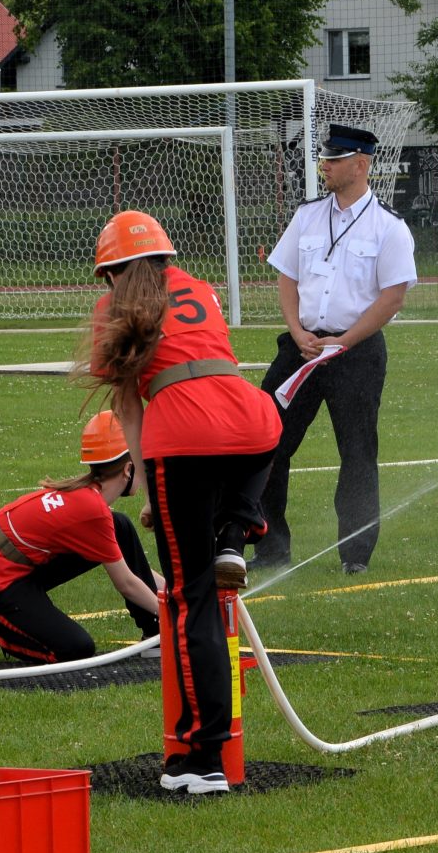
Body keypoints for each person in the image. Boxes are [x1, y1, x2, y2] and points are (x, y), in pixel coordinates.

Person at [78, 209, 281, 795]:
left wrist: (144, 479)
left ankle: (200, 757)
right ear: (167, 259)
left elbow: (130, 408)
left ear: (112, 273)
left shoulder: (111, 310)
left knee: (190, 600)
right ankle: (235, 534)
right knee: (262, 446)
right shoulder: (202, 290)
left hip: (183, 440)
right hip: (252, 422)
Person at [255, 123, 416, 575]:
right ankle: (270, 547)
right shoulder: (307, 215)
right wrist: (297, 330)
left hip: (355, 353)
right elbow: (287, 276)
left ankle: (355, 556)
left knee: (358, 452)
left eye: (334, 159)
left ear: (361, 165)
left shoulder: (389, 227)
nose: (324, 165)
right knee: (267, 442)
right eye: (324, 158)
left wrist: (343, 341)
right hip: (302, 349)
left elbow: (393, 296)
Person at [0, 411, 164, 665]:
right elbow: (127, 583)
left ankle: (154, 632)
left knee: (120, 525)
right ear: (128, 469)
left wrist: (180, 595)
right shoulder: (92, 510)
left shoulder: (89, 500)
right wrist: (174, 617)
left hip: (5, 565)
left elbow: (135, 570)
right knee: (75, 650)